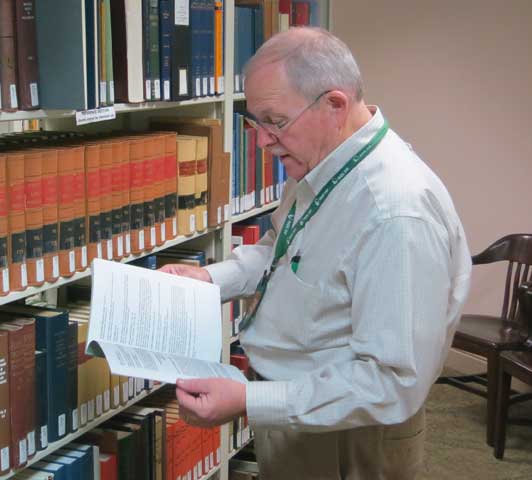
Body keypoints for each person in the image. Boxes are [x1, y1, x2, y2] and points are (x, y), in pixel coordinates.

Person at [159, 27, 471, 479]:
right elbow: (284, 248)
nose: (263, 140)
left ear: (335, 105)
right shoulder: (326, 163)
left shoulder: (394, 214)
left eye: (276, 121)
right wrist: (211, 280)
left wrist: (248, 401)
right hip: (302, 410)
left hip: (348, 435)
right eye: (256, 122)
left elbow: (392, 383)